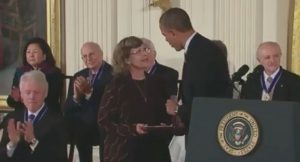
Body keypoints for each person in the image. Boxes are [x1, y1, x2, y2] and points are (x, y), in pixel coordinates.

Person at [98, 36, 174, 162]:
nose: (144, 54)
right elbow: (104, 121)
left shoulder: (158, 82)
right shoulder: (116, 85)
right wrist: (132, 129)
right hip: (125, 151)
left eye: (145, 49)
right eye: (138, 52)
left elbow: (164, 114)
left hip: (155, 150)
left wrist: (170, 119)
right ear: (127, 59)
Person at [159, 8, 232, 134]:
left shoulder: (201, 52)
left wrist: (177, 110)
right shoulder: (199, 47)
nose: (166, 41)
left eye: (165, 36)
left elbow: (203, 98)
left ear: (172, 33)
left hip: (206, 130)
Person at [0, 70, 68, 162]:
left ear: (45, 93)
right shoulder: (12, 118)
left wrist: (33, 141)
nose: (32, 97)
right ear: (22, 95)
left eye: (36, 92)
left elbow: (60, 159)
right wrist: (12, 144)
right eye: (28, 92)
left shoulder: (58, 121)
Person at [64, 42, 113, 162]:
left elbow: (110, 105)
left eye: (91, 54)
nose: (88, 59)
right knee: (77, 127)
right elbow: (67, 108)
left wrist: (89, 94)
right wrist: (76, 97)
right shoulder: (79, 75)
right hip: (84, 125)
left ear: (101, 54)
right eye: (84, 56)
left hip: (105, 122)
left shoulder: (113, 74)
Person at [6, 37, 63, 113]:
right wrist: (14, 98)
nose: (31, 55)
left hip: (47, 115)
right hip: (23, 114)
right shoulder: (20, 71)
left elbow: (52, 99)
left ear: (44, 55)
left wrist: (25, 97)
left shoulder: (53, 72)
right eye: (28, 52)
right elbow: (11, 102)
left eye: (35, 52)